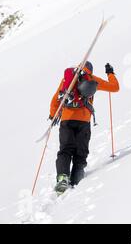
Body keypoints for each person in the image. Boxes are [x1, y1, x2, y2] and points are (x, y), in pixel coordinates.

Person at [49, 61, 119, 194]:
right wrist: (110, 73)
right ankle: (77, 179)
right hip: (83, 122)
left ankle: (63, 178)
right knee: (81, 152)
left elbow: (55, 100)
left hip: (67, 120)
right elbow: (115, 87)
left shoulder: (68, 79)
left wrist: (53, 115)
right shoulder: (92, 79)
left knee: (65, 150)